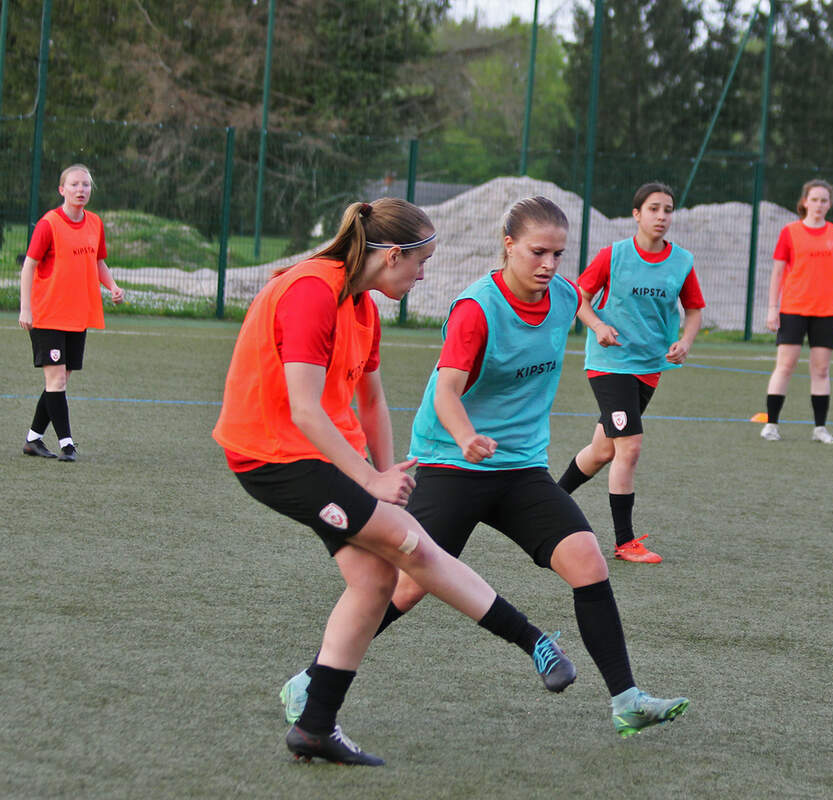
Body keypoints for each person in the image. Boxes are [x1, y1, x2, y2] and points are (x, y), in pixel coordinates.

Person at [282, 196, 690, 739]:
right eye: (537, 252)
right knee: (402, 589)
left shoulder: (564, 297)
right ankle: (309, 681)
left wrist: (631, 333)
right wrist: (467, 435)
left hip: (520, 468)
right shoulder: (476, 308)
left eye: (558, 254)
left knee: (588, 560)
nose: (548, 264)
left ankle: (627, 699)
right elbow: (446, 390)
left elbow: (582, 305)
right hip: (452, 463)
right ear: (508, 246)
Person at [213, 198, 575, 766]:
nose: (423, 274)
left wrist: (388, 471)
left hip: (318, 457)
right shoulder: (313, 291)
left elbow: (373, 399)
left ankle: (314, 727)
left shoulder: (363, 308)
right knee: (413, 551)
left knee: (376, 579)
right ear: (390, 256)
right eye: (420, 262)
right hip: (274, 456)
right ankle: (533, 641)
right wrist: (366, 478)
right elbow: (305, 411)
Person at [555, 182, 706, 564]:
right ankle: (625, 542)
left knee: (603, 450)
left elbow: (693, 309)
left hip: (650, 367)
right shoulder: (614, 256)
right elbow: (580, 297)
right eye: (654, 208)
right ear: (636, 214)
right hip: (610, 365)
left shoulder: (682, 262)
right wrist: (598, 327)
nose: (662, 216)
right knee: (630, 447)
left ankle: (550, 501)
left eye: (668, 210)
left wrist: (685, 342)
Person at [18, 164, 124, 461]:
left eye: (86, 185)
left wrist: (113, 286)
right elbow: (28, 266)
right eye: (75, 184)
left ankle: (33, 440)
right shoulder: (48, 224)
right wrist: (25, 308)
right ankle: (67, 444)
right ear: (62, 190)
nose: (81, 190)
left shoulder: (95, 224)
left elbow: (98, 261)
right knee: (57, 382)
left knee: (60, 379)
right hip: (47, 314)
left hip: (77, 315)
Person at [760, 178, 833, 444]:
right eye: (814, 199)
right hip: (793, 308)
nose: (819, 204)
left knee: (821, 370)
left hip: (827, 310)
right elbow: (777, 272)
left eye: (824, 200)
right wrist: (773, 308)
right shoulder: (790, 232)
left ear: (830, 204)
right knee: (785, 366)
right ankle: (771, 424)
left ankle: (820, 428)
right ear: (805, 202)